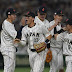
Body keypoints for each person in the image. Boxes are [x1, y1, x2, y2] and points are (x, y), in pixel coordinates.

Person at [0, 8, 24, 72]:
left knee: (11, 69)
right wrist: (22, 26)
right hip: (7, 48)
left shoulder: (10, 24)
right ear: (9, 16)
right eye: (13, 15)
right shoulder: (7, 24)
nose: (15, 16)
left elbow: (14, 38)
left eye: (15, 14)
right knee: (8, 68)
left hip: (10, 47)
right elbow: (16, 36)